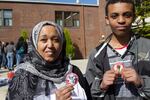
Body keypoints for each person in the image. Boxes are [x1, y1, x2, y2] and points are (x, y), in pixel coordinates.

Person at [6, 21, 92, 100]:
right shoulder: (23, 75)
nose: (50, 45)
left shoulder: (74, 71)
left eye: (56, 40)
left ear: (62, 44)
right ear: (35, 43)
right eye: (43, 40)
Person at [85, 0, 150, 100]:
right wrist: (101, 85)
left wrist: (141, 82)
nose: (121, 20)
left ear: (134, 17)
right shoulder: (96, 55)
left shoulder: (147, 47)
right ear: (107, 19)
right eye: (114, 16)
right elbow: (88, 93)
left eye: (127, 15)